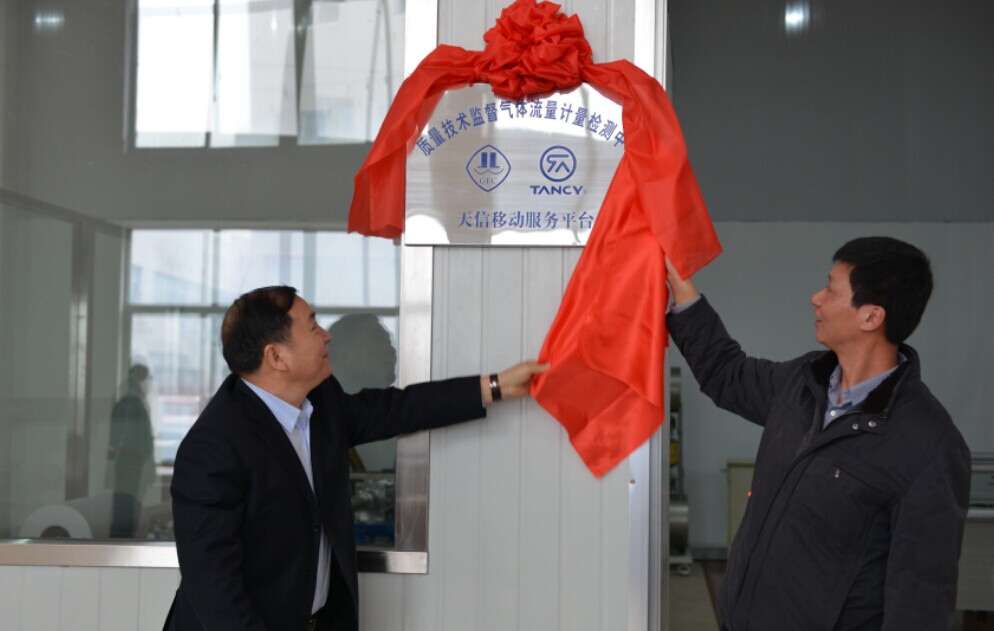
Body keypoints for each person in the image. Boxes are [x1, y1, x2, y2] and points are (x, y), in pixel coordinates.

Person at [163, 286, 546, 631]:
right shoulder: (213, 448)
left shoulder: (320, 401)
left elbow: (396, 409)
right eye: (312, 325)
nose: (326, 334)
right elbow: (215, 590)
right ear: (276, 356)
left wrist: (494, 386)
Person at [665, 237, 970, 630]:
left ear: (871, 317)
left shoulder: (929, 447)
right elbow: (727, 374)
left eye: (831, 289)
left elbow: (920, 601)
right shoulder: (804, 381)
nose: (816, 298)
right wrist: (681, 288)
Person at [107, 363, 155, 538]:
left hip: (127, 462)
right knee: (127, 507)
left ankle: (121, 538)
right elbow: (141, 441)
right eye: (148, 380)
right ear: (141, 381)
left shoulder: (126, 403)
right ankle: (122, 539)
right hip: (132, 462)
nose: (150, 386)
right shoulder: (134, 405)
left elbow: (113, 442)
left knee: (124, 505)